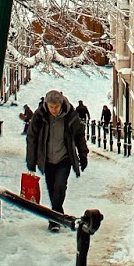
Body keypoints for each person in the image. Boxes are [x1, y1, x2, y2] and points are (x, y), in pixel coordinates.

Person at [26, 89, 87, 225]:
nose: (54, 110)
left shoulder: (70, 115)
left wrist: (83, 155)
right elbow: (32, 138)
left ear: (61, 104)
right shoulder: (40, 116)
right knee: (52, 188)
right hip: (47, 159)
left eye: (56, 107)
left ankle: (54, 220)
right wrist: (31, 161)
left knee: (60, 186)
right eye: (51, 107)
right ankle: (58, 214)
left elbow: (79, 136)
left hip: (64, 158)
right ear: (46, 105)